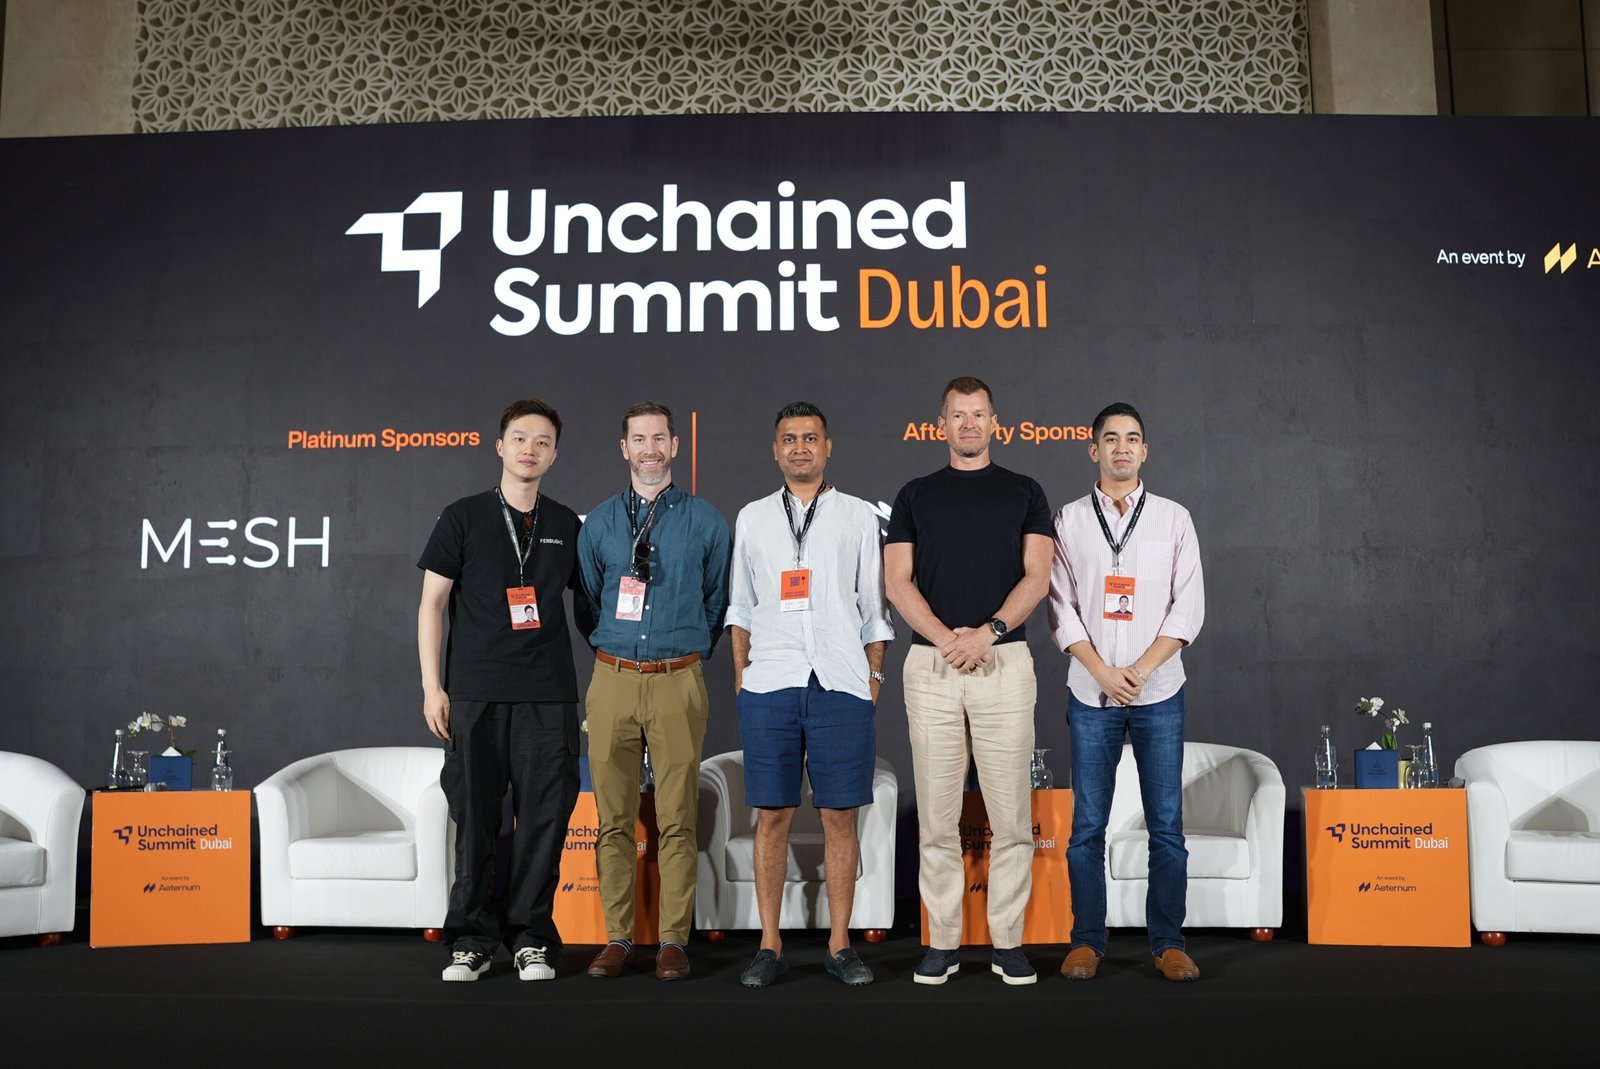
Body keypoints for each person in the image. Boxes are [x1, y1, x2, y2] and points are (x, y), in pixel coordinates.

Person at [884, 376, 1053, 986]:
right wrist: (947, 640)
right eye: (958, 415)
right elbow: (897, 581)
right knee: (936, 819)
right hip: (932, 668)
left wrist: (988, 633)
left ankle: (1008, 943)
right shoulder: (914, 494)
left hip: (1004, 663)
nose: (969, 425)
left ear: (994, 421)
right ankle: (943, 943)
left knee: (1011, 820)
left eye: (979, 414)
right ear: (943, 425)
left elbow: (1038, 575)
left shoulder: (1025, 490)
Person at [417, 397, 590, 982]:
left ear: (555, 454)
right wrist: (432, 688)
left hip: (548, 697)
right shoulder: (462, 516)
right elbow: (431, 604)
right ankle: (471, 939)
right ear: (500, 446)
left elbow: (591, 608)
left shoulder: (566, 525)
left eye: (543, 442)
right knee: (477, 822)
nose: (529, 449)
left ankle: (532, 939)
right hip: (475, 694)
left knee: (544, 822)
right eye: (519, 438)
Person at [726, 402, 895, 988]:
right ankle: (769, 946)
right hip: (769, 684)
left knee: (839, 816)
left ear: (828, 447)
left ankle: (840, 945)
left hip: (840, 685)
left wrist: (873, 677)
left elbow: (874, 608)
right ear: (775, 449)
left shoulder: (857, 516)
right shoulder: (752, 517)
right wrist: (742, 675)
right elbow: (740, 605)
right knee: (771, 815)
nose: (800, 447)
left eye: (810, 438)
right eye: (789, 438)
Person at [1047, 401, 1205, 983]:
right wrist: (1102, 671)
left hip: (1158, 688)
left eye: (1131, 438)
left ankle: (1168, 943)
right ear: (1094, 449)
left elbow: (1187, 608)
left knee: (1167, 827)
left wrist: (1137, 669)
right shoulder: (1068, 520)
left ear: (1145, 450)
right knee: (1088, 827)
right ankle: (1087, 941)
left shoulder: (1174, 518)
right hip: (1091, 692)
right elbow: (1059, 606)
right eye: (1110, 438)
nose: (1121, 448)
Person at [577, 401, 731, 981]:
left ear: (674, 445)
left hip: (677, 680)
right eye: (638, 439)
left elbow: (716, 602)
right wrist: (617, 651)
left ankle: (672, 941)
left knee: (677, 819)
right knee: (612, 819)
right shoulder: (598, 524)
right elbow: (588, 603)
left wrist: (685, 651)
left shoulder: (707, 521)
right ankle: (618, 938)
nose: (649, 449)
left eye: (659, 438)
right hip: (612, 680)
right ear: (624, 448)